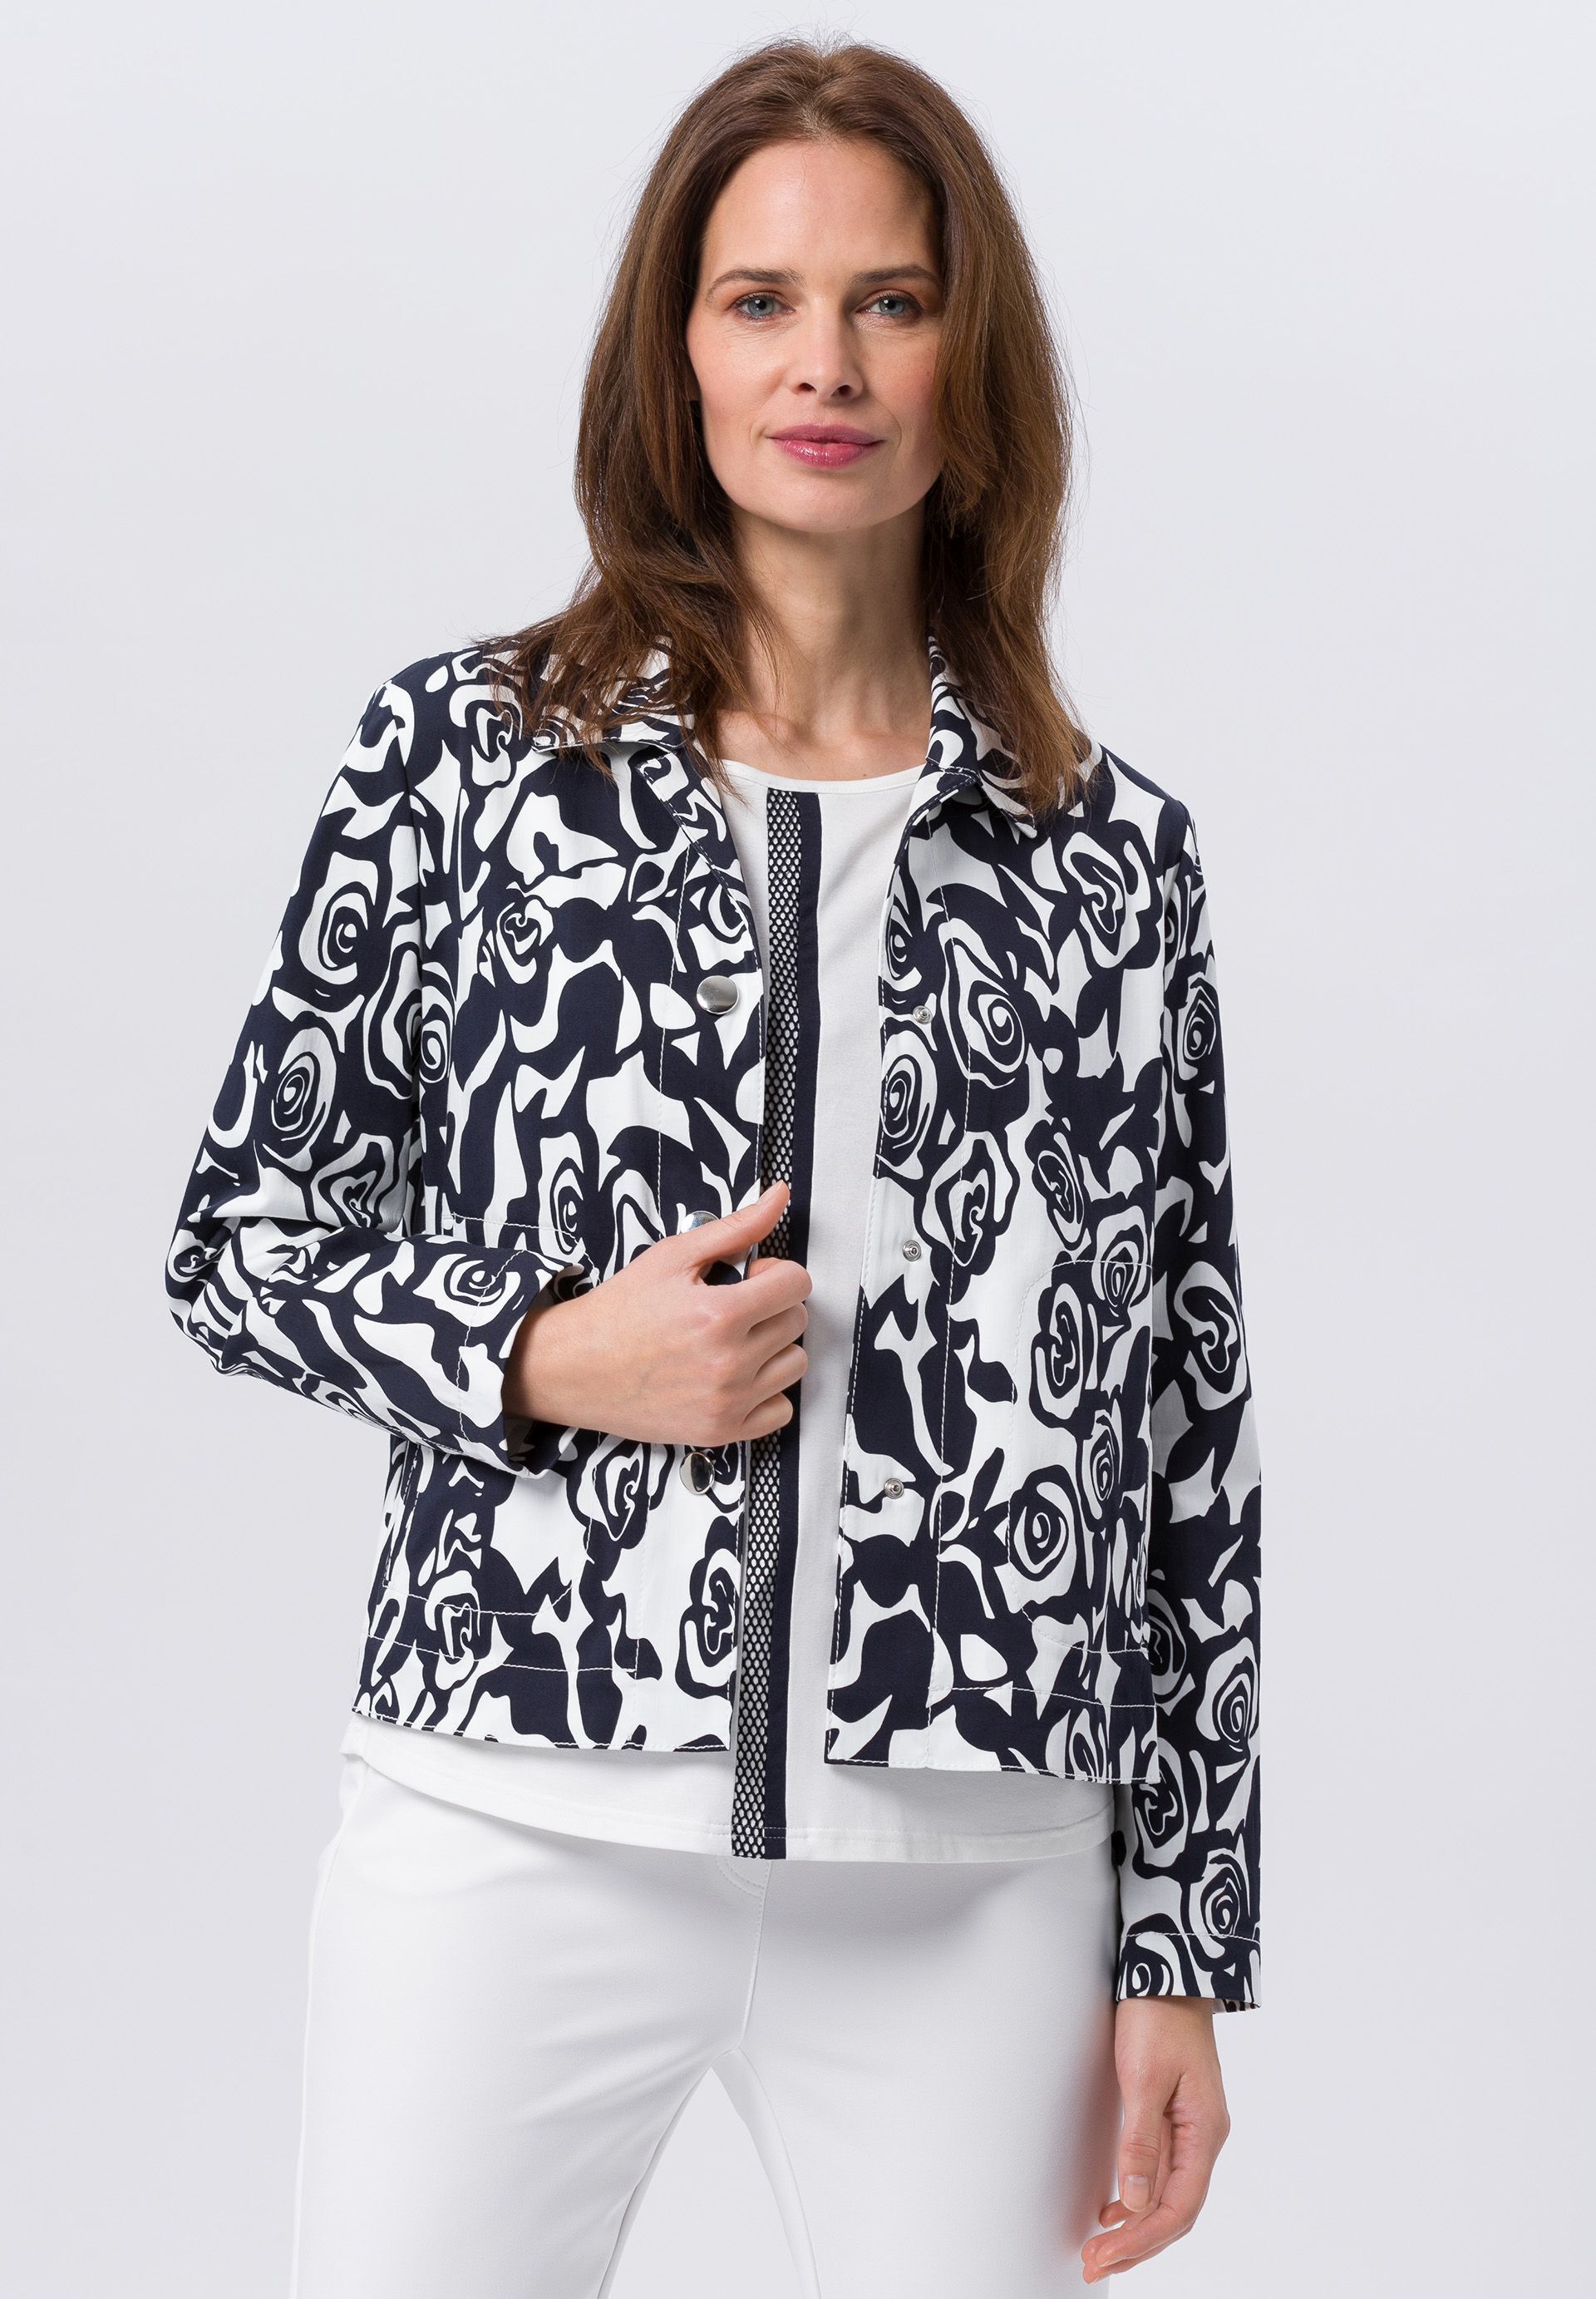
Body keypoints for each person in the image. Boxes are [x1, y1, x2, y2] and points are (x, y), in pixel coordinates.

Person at [165, 35, 1260, 2298]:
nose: (823, 364)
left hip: (971, 1872)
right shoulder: (468, 765)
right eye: (760, 300)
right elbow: (235, 1241)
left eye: (890, 301)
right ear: (676, 352)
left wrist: (1182, 1940)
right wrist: (540, 1353)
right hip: (514, 1812)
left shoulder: (1107, 857)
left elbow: (1184, 1428)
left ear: (972, 356)